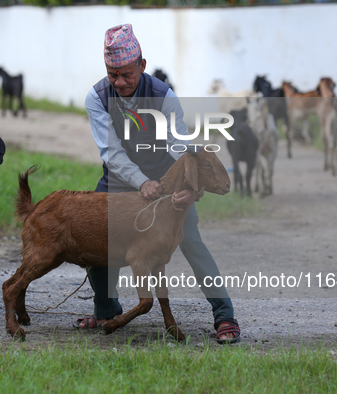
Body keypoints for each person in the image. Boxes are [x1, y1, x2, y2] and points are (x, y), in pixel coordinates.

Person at [75, 24, 240, 344]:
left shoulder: (164, 96)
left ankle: (225, 316)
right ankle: (107, 310)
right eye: (112, 74)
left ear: (142, 65)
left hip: (167, 182)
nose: (119, 82)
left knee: (191, 241)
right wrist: (140, 183)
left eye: (126, 74)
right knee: (95, 239)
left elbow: (178, 146)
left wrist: (187, 189)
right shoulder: (96, 98)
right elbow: (111, 152)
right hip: (119, 182)